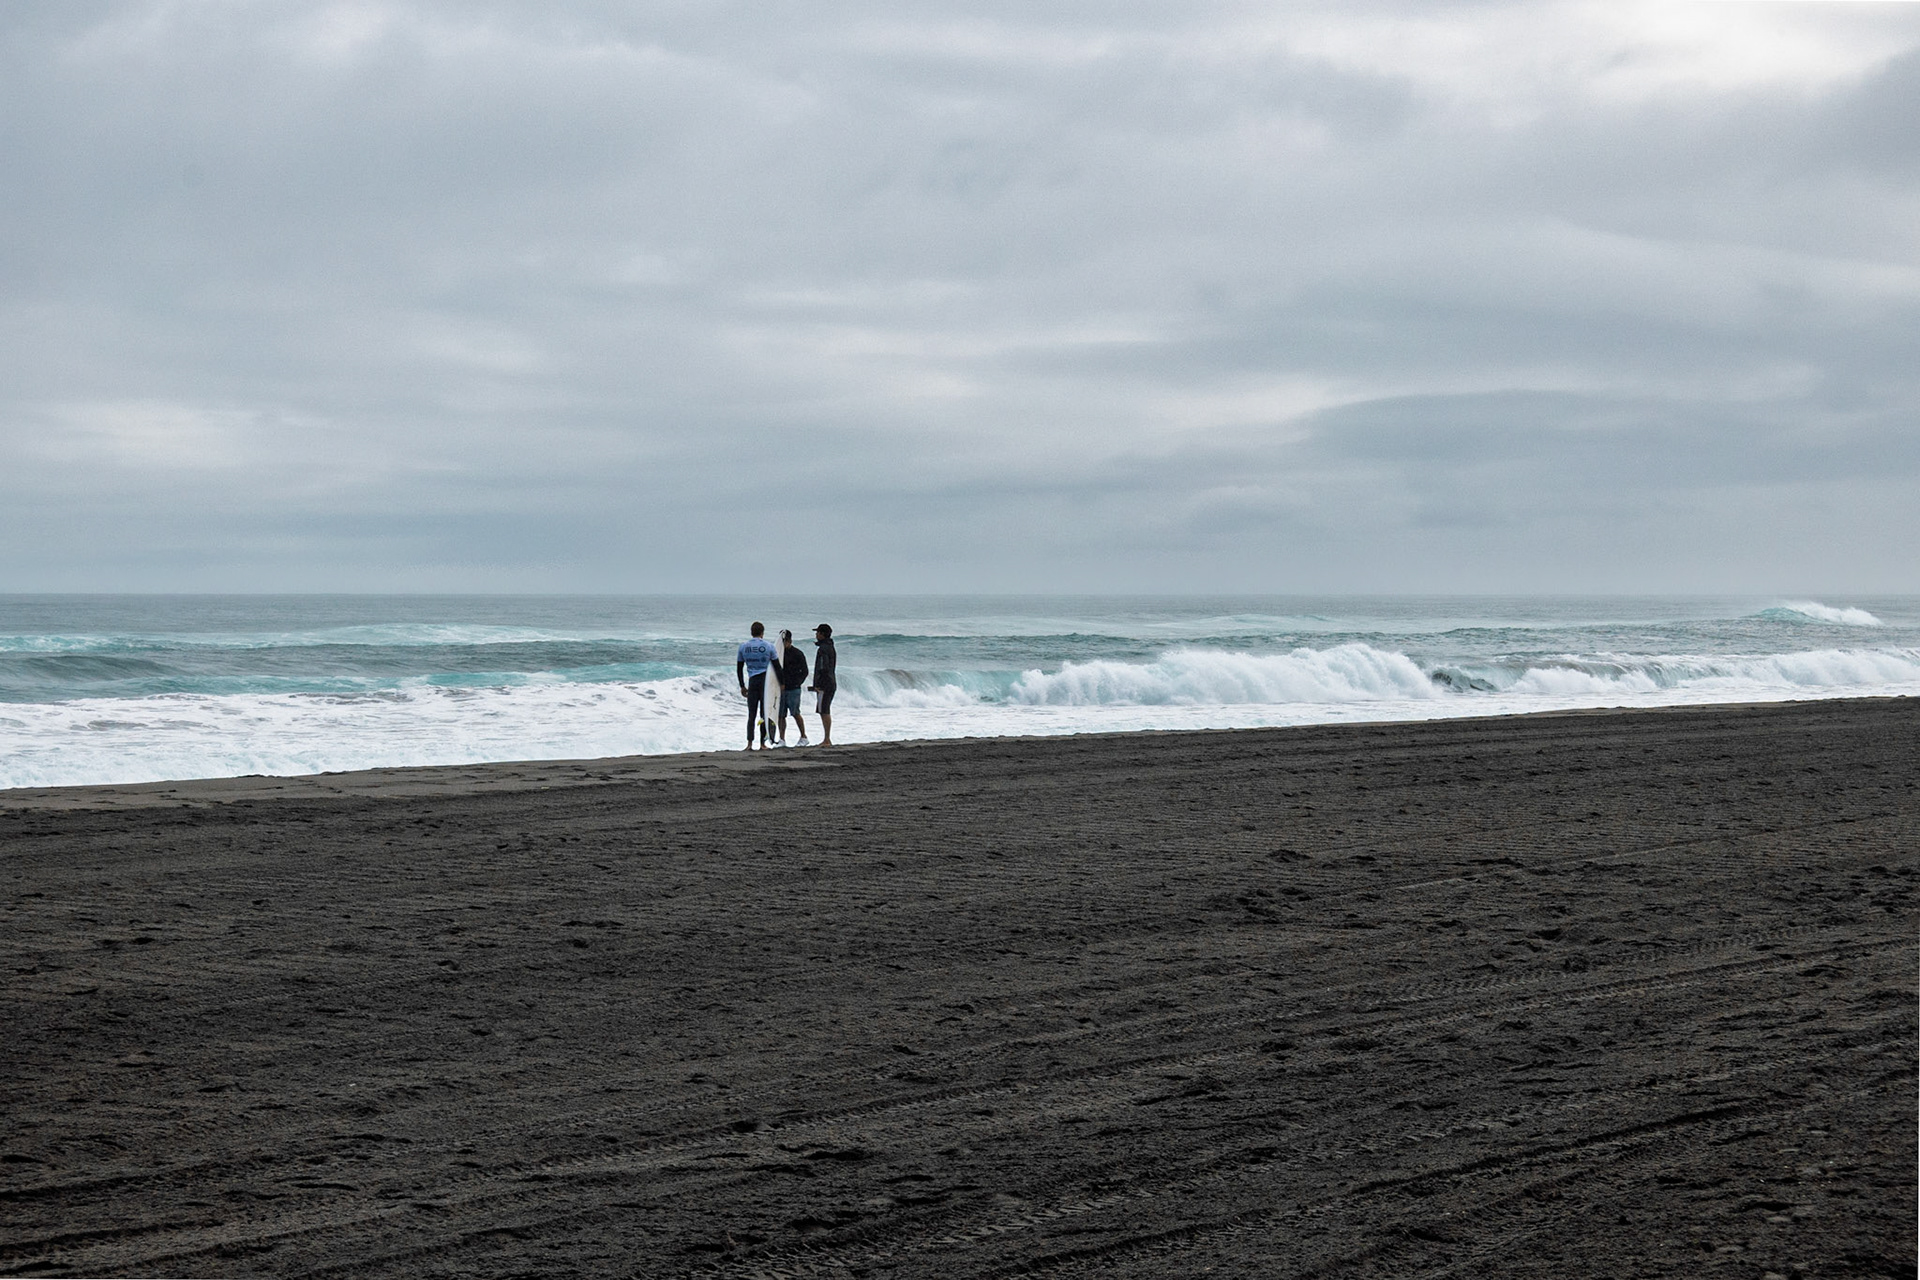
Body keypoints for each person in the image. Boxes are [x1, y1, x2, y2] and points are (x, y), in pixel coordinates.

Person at [735, 622, 780, 750]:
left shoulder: (743, 647)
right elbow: (777, 667)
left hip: (753, 682)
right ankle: (762, 743)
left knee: (751, 714)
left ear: (751, 632)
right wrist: (781, 684)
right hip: (765, 684)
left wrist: (742, 686)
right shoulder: (769, 646)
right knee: (764, 714)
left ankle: (749, 744)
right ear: (762, 633)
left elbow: (739, 668)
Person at [775, 629, 810, 746]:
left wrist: (797, 683)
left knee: (795, 713)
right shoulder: (778, 653)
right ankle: (781, 739)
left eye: (785, 642)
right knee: (781, 715)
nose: (784, 644)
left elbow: (805, 671)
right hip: (781, 689)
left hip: (793, 688)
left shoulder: (797, 653)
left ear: (790, 641)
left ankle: (803, 736)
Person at [807, 622, 836, 748]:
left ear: (822, 634)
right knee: (823, 710)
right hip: (830, 682)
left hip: (825, 684)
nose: (816, 635)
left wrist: (818, 684)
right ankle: (826, 738)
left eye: (817, 632)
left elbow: (823, 667)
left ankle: (827, 739)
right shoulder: (829, 647)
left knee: (824, 710)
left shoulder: (823, 649)